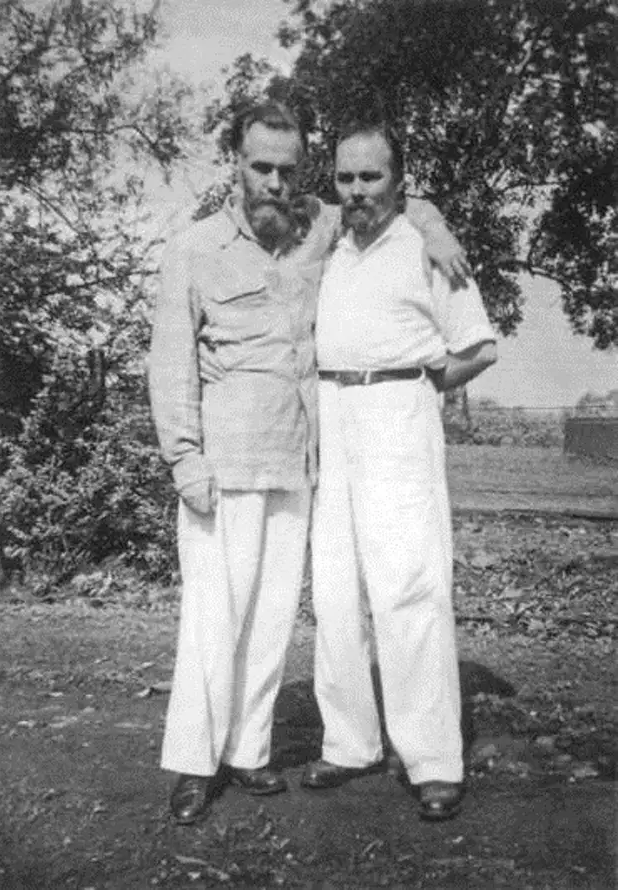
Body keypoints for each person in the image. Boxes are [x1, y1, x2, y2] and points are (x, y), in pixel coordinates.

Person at [148, 100, 469, 825]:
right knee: (213, 618)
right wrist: (184, 462)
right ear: (235, 163)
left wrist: (434, 223)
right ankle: (195, 764)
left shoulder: (317, 228)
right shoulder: (194, 248)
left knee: (270, 622)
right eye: (260, 166)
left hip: (298, 465)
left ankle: (248, 751)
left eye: (288, 170)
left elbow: (390, 201)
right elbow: (169, 365)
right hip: (224, 464)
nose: (274, 182)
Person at [300, 115, 497, 822]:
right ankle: (350, 743)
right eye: (345, 177)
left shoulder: (426, 246)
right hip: (329, 413)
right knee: (335, 589)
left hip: (397, 411)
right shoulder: (324, 242)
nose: (357, 190)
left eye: (371, 176)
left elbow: (478, 346)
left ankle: (433, 758)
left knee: (409, 587)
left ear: (399, 181)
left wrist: (423, 386)